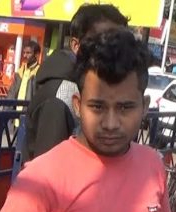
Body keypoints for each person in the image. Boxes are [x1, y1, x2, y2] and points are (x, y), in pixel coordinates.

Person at [0, 29, 170, 212]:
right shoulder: (42, 176)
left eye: (125, 108)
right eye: (97, 107)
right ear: (77, 105)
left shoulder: (153, 166)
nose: (110, 124)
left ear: (144, 107)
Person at [24, 4, 128, 161]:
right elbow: (50, 174)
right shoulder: (59, 98)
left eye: (118, 43)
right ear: (76, 45)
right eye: (103, 42)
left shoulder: (100, 85)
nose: (112, 51)